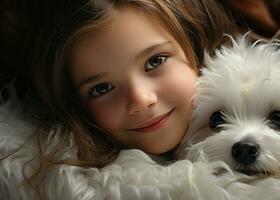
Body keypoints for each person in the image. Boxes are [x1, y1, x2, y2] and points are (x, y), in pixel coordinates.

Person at [1, 0, 236, 195]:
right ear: (77, 107)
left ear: (193, 45)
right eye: (102, 88)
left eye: (155, 61)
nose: (141, 100)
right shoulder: (72, 185)